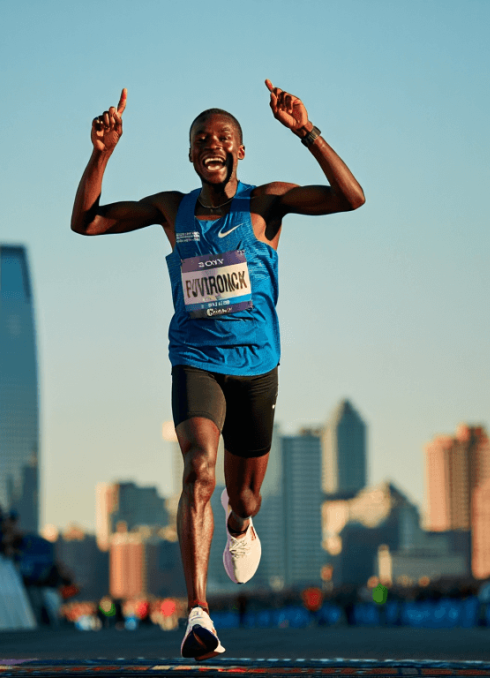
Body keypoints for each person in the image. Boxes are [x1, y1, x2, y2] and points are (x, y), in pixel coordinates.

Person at [70, 80, 364, 659]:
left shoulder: (266, 203)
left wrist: (306, 131)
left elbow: (350, 197)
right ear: (189, 154)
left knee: (245, 497)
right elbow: (87, 222)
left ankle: (239, 524)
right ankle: (198, 613)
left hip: (256, 365)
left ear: (240, 150)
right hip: (195, 359)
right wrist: (101, 154)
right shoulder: (170, 208)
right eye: (201, 138)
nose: (212, 143)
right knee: (198, 471)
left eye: (224, 136)